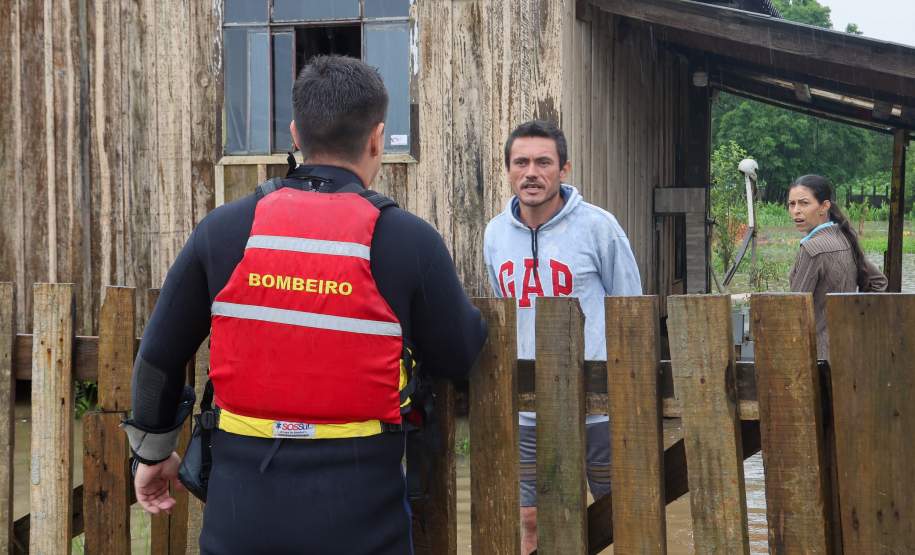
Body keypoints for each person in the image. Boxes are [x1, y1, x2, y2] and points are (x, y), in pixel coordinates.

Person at [121, 55, 487, 554]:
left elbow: (159, 361)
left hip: (241, 518)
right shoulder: (408, 241)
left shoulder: (225, 230)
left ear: (295, 134)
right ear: (377, 138)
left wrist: (152, 453)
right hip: (362, 518)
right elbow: (457, 353)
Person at [482, 120, 642, 555]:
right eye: (521, 162)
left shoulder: (598, 228)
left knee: (614, 509)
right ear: (509, 170)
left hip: (597, 402)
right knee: (529, 514)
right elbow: (503, 307)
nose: (531, 172)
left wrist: (623, 387)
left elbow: (629, 306)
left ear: (564, 169)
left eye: (543, 162)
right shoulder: (495, 234)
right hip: (529, 403)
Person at [787, 174, 887, 359]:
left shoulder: (811, 249)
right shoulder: (845, 238)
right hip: (847, 347)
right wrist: (854, 317)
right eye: (792, 204)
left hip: (816, 355)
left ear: (824, 206)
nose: (796, 211)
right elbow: (879, 281)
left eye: (804, 203)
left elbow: (795, 308)